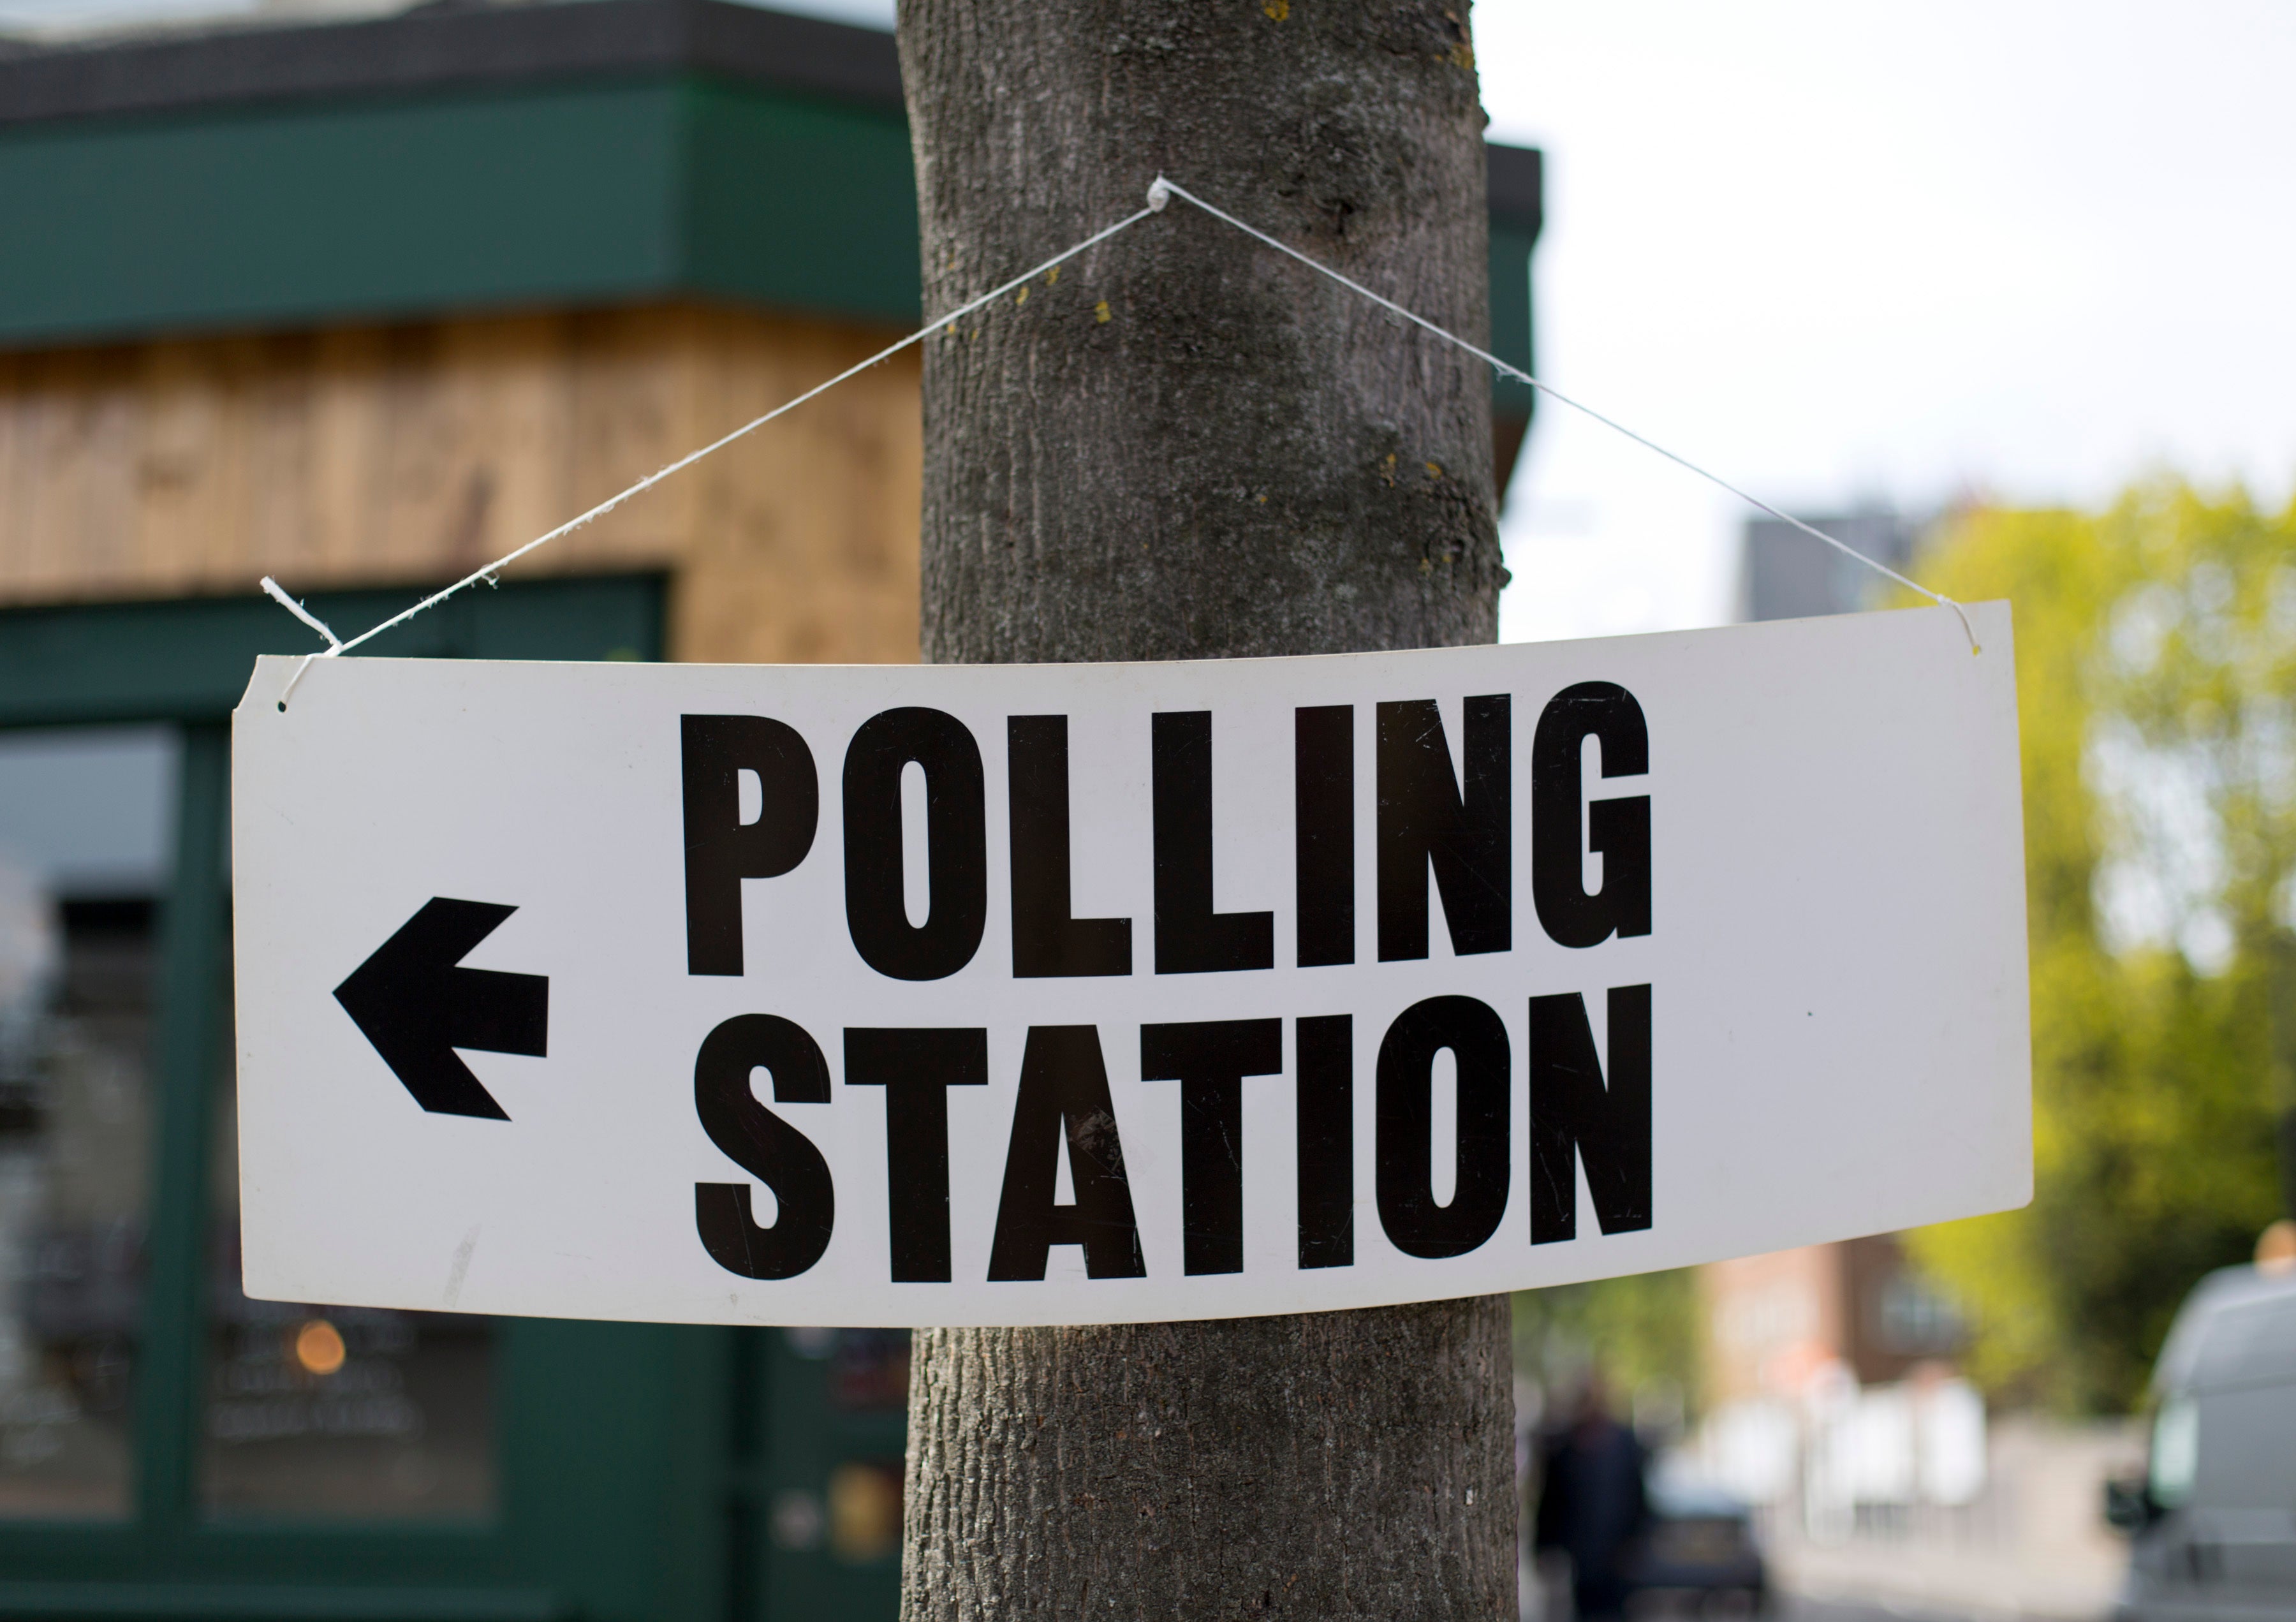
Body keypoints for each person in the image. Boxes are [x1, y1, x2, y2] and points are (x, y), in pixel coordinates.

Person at [1533, 1374, 1651, 1621]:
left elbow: (1640, 1499)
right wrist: (1544, 1548)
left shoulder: (1626, 1445)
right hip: (1579, 1559)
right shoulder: (1563, 1448)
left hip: (1617, 1558)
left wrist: (1638, 1542)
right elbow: (1550, 1501)